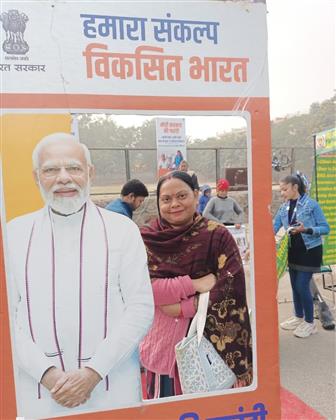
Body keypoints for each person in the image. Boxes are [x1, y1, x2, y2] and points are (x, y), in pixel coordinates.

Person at [6, 133, 154, 418]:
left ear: (90, 173)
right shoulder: (14, 234)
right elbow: (6, 319)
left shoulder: (122, 230)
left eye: (73, 168)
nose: (64, 178)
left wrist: (92, 373)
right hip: (39, 393)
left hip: (112, 388)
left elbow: (140, 308)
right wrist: (47, 375)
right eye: (51, 170)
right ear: (37, 177)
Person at [139, 171, 252, 398]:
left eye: (182, 195)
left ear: (196, 195)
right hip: (162, 346)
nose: (174, 204)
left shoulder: (216, 236)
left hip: (210, 349)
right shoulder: (146, 238)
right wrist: (194, 284)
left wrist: (182, 307)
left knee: (209, 409)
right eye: (166, 199)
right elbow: (141, 289)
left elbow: (233, 287)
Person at [273, 173, 330, 338]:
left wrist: (307, 230)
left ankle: (310, 323)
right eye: (281, 190)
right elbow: (274, 226)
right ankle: (298, 317)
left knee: (302, 285)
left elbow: (325, 228)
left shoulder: (311, 205)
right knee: (294, 285)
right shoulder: (284, 208)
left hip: (310, 251)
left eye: (284, 189)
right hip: (293, 252)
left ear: (295, 187)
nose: (282, 193)